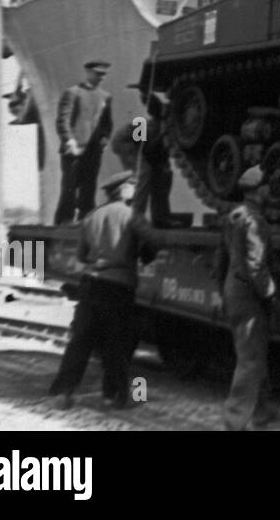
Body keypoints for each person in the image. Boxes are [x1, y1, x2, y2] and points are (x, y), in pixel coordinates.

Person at [47, 171, 158, 410]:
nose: (134, 189)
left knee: (80, 342)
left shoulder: (92, 216)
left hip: (90, 285)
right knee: (116, 344)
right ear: (124, 189)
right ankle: (114, 396)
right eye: (132, 185)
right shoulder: (132, 216)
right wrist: (143, 255)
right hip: (118, 287)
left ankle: (63, 393)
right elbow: (154, 240)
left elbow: (81, 255)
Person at [213, 166, 280, 430]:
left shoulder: (233, 216)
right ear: (259, 190)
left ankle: (261, 410)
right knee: (250, 357)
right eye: (266, 186)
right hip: (249, 294)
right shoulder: (254, 221)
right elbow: (256, 265)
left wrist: (222, 291)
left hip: (233, 289)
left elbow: (220, 260)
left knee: (253, 352)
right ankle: (235, 419)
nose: (269, 190)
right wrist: (271, 293)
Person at [55, 61, 114, 225]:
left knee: (89, 187)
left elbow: (107, 124)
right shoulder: (72, 93)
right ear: (88, 72)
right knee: (69, 187)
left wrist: (104, 138)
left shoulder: (106, 97)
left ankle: (86, 221)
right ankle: (63, 222)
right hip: (74, 150)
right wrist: (69, 140)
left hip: (93, 151)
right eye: (98, 73)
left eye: (104, 74)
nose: (101, 77)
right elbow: (62, 120)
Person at [110, 90, 175, 227]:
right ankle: (135, 216)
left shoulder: (167, 129)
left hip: (143, 145)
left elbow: (160, 154)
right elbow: (141, 144)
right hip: (126, 140)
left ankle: (160, 218)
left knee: (163, 175)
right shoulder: (149, 125)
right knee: (144, 173)